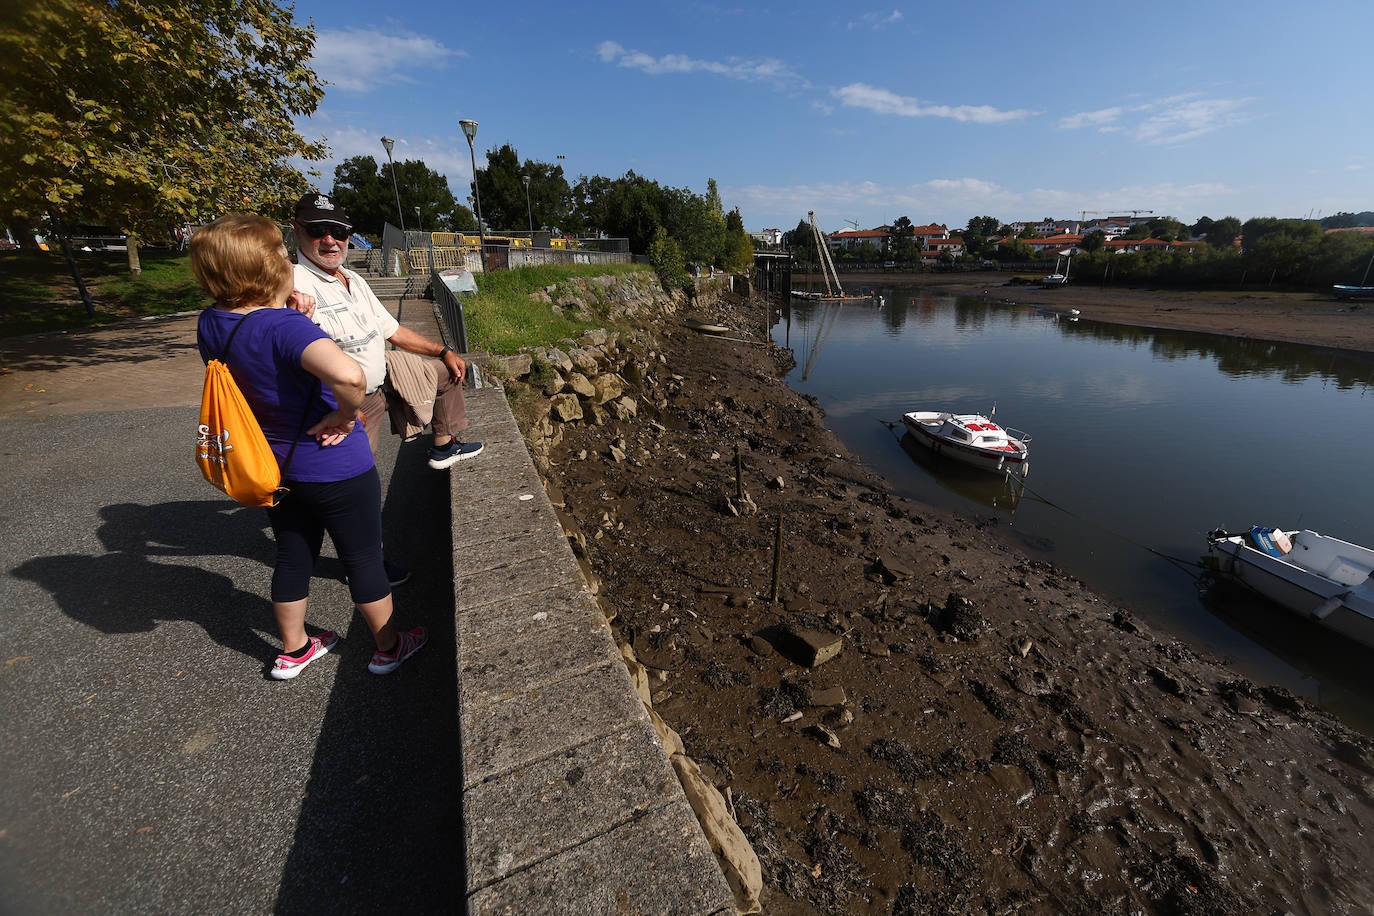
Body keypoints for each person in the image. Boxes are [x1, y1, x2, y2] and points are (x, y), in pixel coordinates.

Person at [191, 213, 426, 680]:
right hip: (333, 462)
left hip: (273, 466)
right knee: (362, 556)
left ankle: (294, 649)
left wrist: (290, 316)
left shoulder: (213, 323)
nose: (286, 258)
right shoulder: (285, 328)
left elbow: (263, 363)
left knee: (293, 553)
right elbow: (350, 374)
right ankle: (388, 647)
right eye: (279, 251)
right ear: (263, 267)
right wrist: (343, 414)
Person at [287, 192, 483, 471]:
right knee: (351, 479)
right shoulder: (292, 284)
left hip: (376, 390)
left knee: (446, 371)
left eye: (339, 231)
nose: (330, 240)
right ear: (296, 228)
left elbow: (393, 330)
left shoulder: (352, 278)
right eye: (318, 230)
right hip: (340, 408)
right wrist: (345, 410)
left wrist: (444, 350)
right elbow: (291, 365)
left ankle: (444, 446)